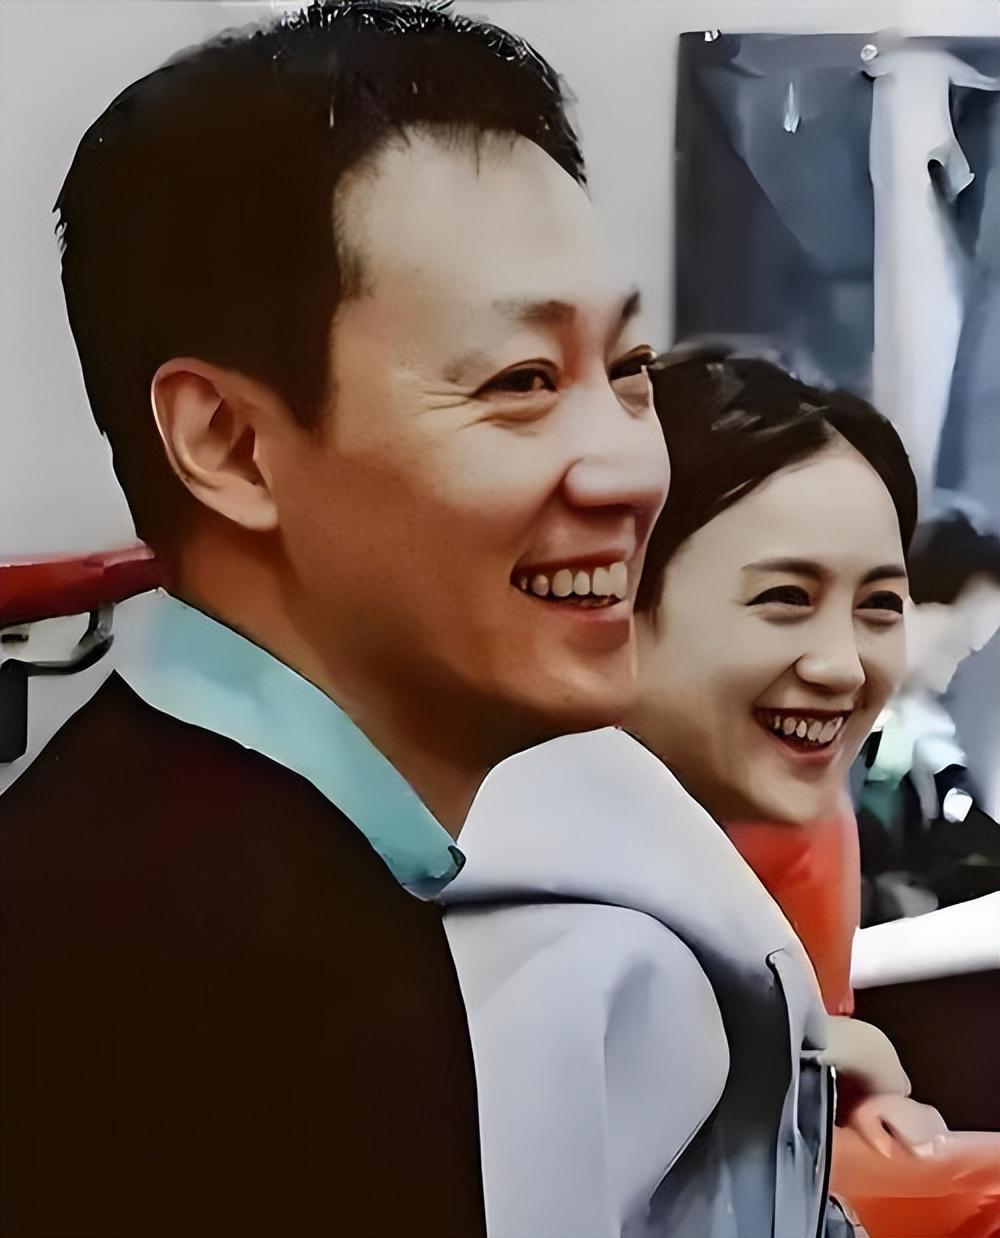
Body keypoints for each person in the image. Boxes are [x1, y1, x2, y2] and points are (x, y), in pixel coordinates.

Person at [0, 3, 671, 1234]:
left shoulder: (226, 868)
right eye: (521, 381)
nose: (628, 470)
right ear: (230, 444)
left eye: (629, 372)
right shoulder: (205, 986)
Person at [630, 347, 1000, 1238]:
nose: (843, 667)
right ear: (616, 595)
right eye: (787, 597)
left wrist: (843, 1077)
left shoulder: (805, 809)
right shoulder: (492, 826)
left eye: (879, 606)